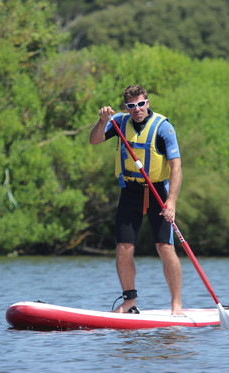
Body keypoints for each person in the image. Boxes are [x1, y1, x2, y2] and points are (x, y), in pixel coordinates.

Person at [89, 85, 183, 315]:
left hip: (157, 192)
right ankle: (129, 301)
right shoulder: (120, 122)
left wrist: (171, 202)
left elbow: (176, 167)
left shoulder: (164, 129)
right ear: (126, 107)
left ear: (147, 103)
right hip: (130, 191)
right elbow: (94, 140)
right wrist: (102, 121)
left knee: (164, 247)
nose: (137, 109)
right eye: (131, 106)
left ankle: (176, 304)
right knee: (124, 247)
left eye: (141, 104)